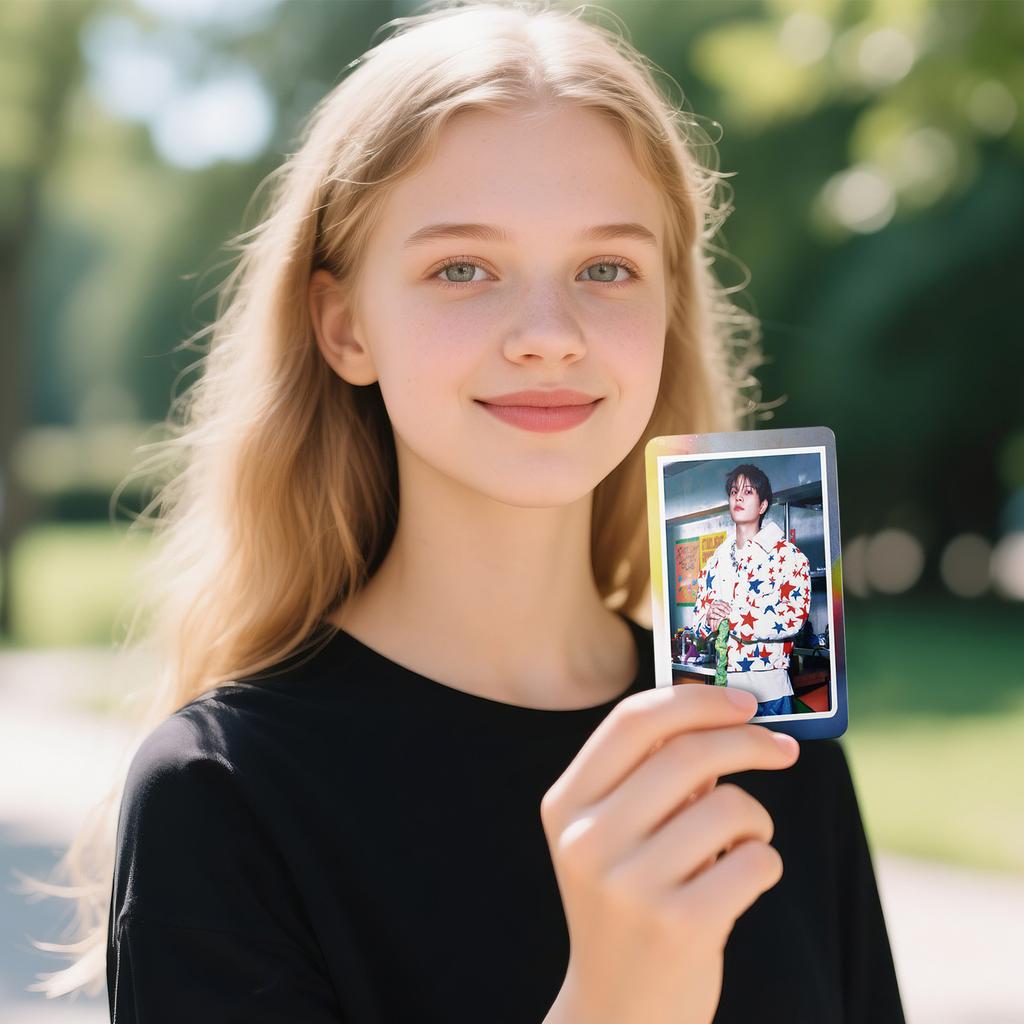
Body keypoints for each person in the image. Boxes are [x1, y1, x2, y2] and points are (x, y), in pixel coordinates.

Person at [19, 3, 903, 1022]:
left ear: (666, 309)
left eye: (605, 268)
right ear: (345, 326)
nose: (546, 334)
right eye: (462, 269)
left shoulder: (767, 748)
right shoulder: (220, 797)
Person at [691, 463, 812, 717]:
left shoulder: (788, 557)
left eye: (748, 492)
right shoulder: (715, 562)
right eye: (734, 491)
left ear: (763, 505)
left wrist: (733, 620)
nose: (738, 496)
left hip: (771, 696)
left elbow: (793, 619)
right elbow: (697, 625)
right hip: (725, 693)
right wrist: (710, 619)